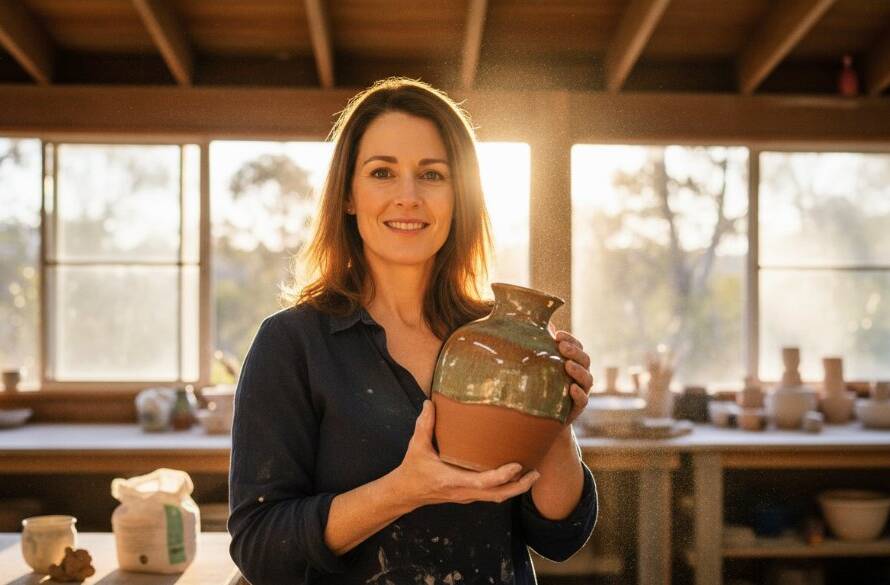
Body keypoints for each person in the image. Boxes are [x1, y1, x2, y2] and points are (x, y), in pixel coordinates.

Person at [228, 77, 597, 585]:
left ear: (459, 196)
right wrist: (404, 490)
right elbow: (261, 549)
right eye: (382, 172)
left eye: (432, 175)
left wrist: (554, 420)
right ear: (349, 195)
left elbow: (560, 536)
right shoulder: (292, 344)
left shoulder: (503, 342)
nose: (408, 197)